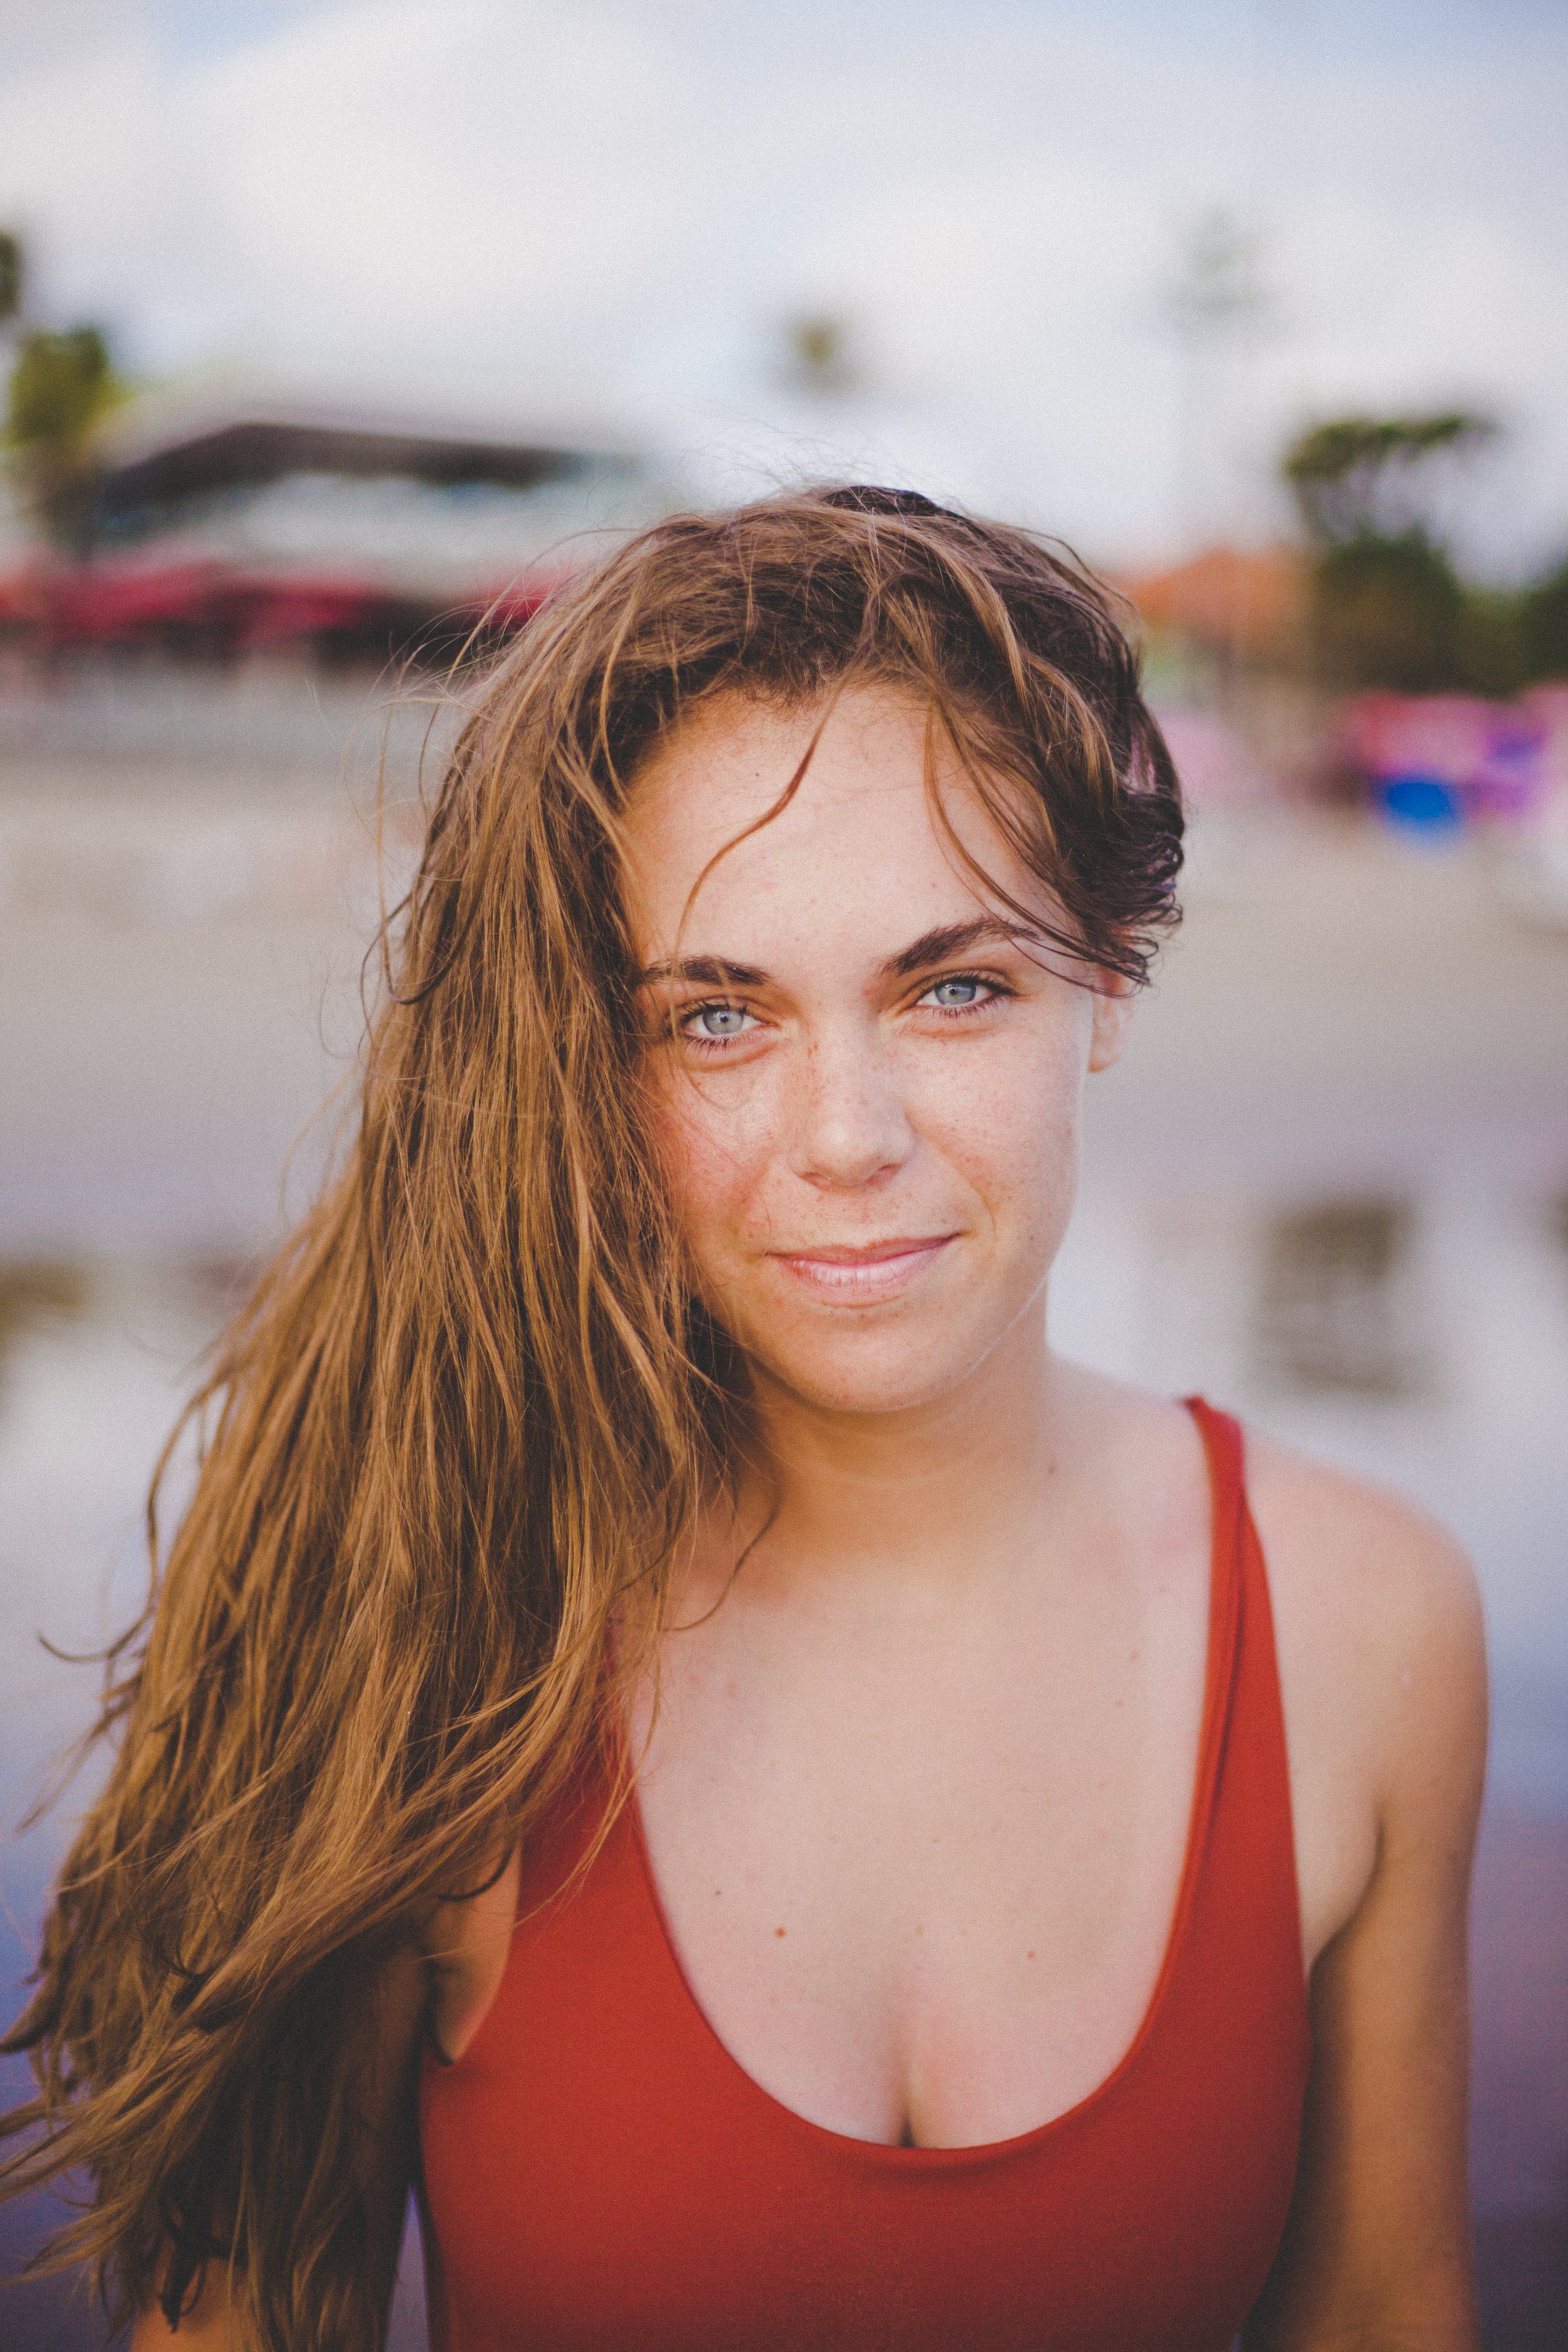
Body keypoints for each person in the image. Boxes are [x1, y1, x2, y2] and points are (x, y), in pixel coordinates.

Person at [2, 488, 1486, 2352]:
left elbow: (1381, 2312)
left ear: (1103, 983)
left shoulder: (1365, 1628)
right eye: (717, 1017)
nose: (847, 1137)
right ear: (588, 1055)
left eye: (952, 987)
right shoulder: (446, 1624)